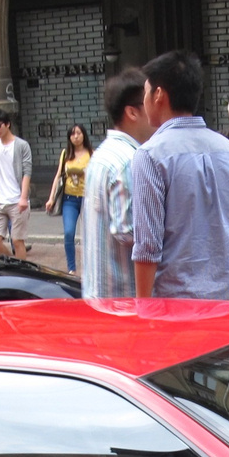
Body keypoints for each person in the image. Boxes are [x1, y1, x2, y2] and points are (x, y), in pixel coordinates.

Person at [130, 50, 229, 299]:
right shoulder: (225, 148)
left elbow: (147, 247)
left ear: (159, 95)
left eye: (145, 92)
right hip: (224, 302)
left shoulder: (150, 155)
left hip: (175, 307)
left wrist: (143, 308)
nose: (144, 100)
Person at [82, 68, 154, 299]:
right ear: (132, 112)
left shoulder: (103, 154)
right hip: (122, 299)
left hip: (99, 294)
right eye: (151, 102)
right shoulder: (129, 160)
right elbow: (127, 231)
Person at [0, 108, 32, 260]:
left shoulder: (22, 145)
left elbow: (27, 171)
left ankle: (22, 273)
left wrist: (23, 197)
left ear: (7, 124)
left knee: (17, 241)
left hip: (17, 199)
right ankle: (14, 263)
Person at [47, 124, 93, 273]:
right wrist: (51, 198)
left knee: (89, 235)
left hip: (88, 199)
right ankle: (71, 269)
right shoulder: (66, 153)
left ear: (84, 135)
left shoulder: (92, 153)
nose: (76, 136)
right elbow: (58, 176)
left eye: (78, 133)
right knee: (68, 232)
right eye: (72, 134)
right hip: (69, 199)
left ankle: (90, 268)